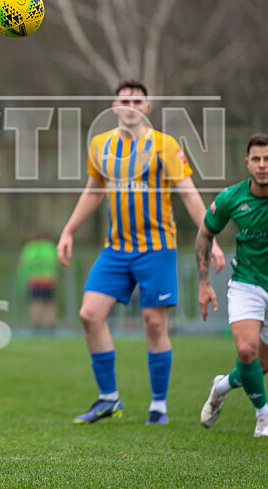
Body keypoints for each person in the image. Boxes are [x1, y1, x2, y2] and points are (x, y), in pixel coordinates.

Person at [56, 80, 225, 426]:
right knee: (90, 314)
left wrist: (212, 239)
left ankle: (158, 406)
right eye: (124, 100)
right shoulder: (101, 146)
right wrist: (68, 230)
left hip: (157, 248)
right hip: (115, 249)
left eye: (137, 100)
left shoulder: (164, 146)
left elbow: (191, 196)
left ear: (146, 108)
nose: (130, 105)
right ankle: (108, 399)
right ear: (114, 107)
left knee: (153, 324)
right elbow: (93, 191)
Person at [197, 133, 268, 437]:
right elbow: (204, 235)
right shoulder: (231, 198)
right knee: (245, 350)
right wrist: (204, 283)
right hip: (246, 283)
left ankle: (222, 386)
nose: (263, 165)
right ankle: (263, 417)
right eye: (257, 159)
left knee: (259, 367)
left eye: (267, 159)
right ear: (247, 162)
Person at [16, 232, 59, 329]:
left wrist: (24, 277)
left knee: (36, 301)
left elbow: (24, 263)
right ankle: (49, 323)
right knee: (49, 302)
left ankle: (36, 323)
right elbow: (55, 261)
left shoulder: (30, 248)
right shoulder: (49, 247)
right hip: (48, 278)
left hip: (34, 279)